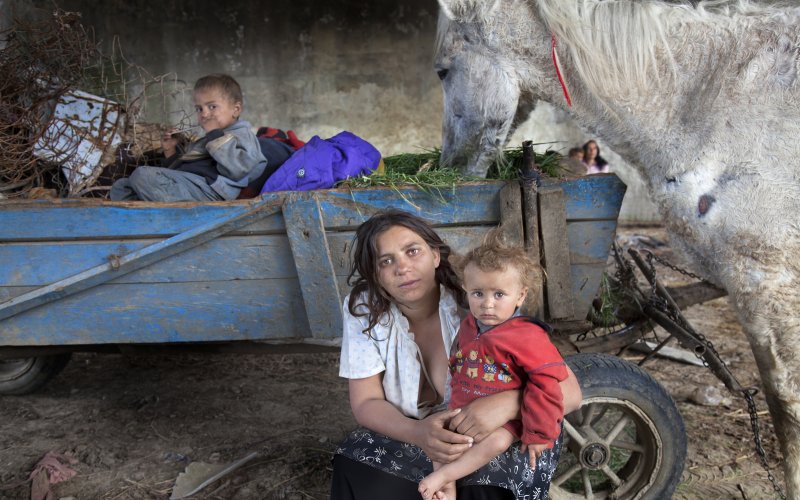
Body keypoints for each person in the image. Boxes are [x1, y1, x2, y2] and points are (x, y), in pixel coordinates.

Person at [331, 209, 583, 500]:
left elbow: (570, 392)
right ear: (375, 274)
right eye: (386, 261)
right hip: (420, 430)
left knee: (485, 485)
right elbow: (366, 402)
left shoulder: (480, 297)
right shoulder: (365, 308)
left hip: (497, 429)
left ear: (435, 256)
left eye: (412, 251)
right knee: (355, 465)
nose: (402, 268)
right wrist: (419, 433)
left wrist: (506, 405)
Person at [418, 230, 567, 500]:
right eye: (478, 293)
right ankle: (447, 489)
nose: (487, 304)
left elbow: (546, 384)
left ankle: (446, 476)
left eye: (499, 294)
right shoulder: (469, 326)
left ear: (520, 296)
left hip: (505, 421)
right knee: (441, 440)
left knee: (497, 442)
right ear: (466, 290)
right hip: (464, 410)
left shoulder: (527, 336)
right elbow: (460, 360)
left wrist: (537, 433)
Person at [110, 74, 267, 201]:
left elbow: (239, 170)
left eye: (212, 106)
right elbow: (184, 171)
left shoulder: (242, 135)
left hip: (210, 191)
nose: (204, 114)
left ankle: (159, 214)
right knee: (121, 186)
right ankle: (149, 216)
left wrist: (215, 135)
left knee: (142, 175)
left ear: (236, 109)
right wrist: (171, 151)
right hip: (191, 186)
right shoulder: (208, 138)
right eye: (199, 109)